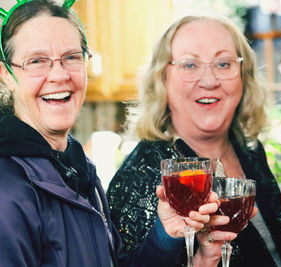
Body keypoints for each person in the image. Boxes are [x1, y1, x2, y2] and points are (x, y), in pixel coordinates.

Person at [0, 1, 219, 266]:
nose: (59, 74)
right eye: (36, 61)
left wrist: (166, 233)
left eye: (71, 57)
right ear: (6, 74)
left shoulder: (78, 168)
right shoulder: (8, 188)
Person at [107, 15, 281, 267]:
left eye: (223, 64)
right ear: (162, 79)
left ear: (244, 76)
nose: (209, 81)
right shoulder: (142, 175)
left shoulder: (249, 150)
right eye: (189, 65)